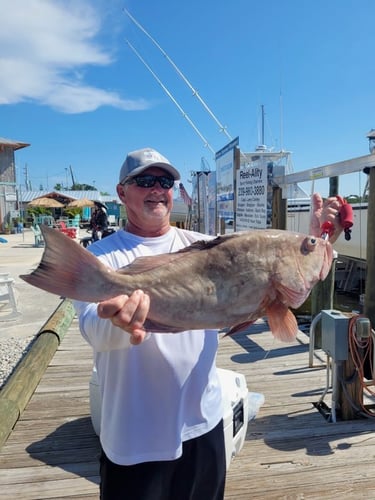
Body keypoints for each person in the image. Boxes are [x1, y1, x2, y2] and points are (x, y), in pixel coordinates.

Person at [74, 147, 344, 500]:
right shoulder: (101, 259)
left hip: (204, 425)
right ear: (121, 192)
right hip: (133, 435)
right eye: (144, 180)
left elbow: (278, 274)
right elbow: (92, 329)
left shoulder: (204, 244)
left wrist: (320, 240)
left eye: (166, 180)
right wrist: (120, 324)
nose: (157, 188)